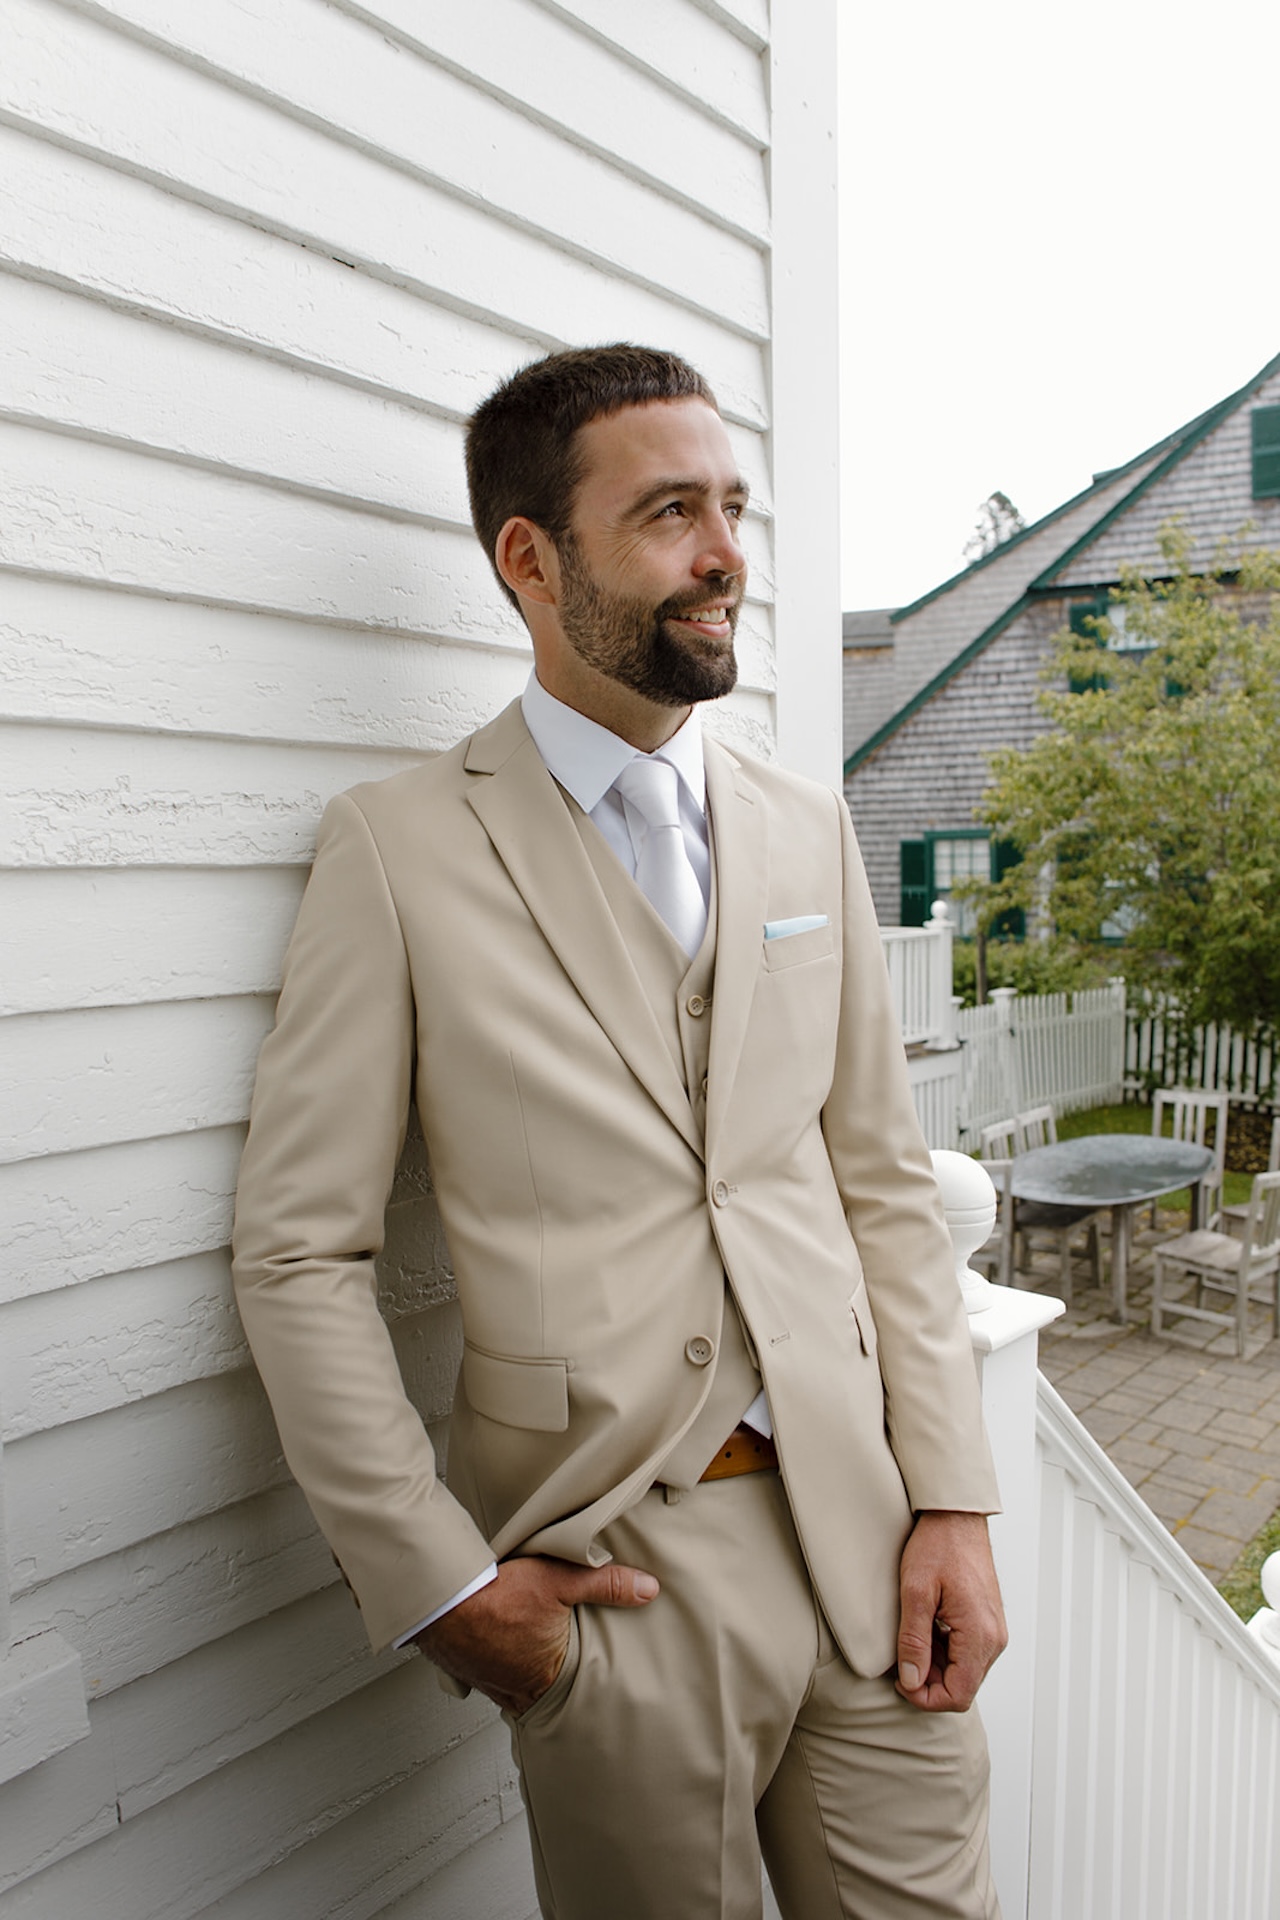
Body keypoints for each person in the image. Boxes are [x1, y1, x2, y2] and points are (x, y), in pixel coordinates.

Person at [232, 344, 1007, 1920]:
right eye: (669, 515)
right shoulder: (397, 851)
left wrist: (955, 1499)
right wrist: (443, 1582)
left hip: (869, 1540)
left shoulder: (805, 824)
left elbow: (877, 1185)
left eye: (732, 509)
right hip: (619, 1575)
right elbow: (302, 1250)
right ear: (532, 560)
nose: (727, 556)